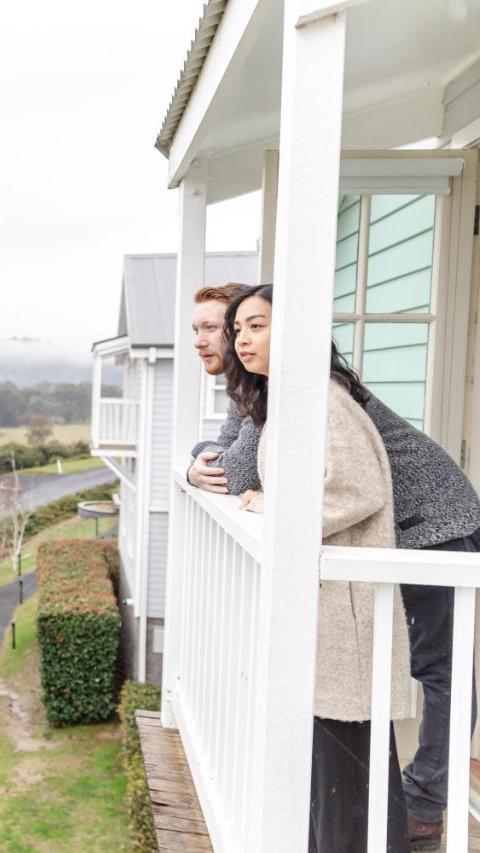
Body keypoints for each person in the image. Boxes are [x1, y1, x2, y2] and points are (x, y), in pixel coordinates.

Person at [186, 284, 480, 851]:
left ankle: (425, 802)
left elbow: (244, 472)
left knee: (438, 670)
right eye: (231, 329)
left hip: (437, 523)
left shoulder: (314, 394)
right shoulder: (272, 393)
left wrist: (236, 473)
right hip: (392, 530)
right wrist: (196, 460)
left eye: (244, 327)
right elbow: (234, 462)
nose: (228, 339)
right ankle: (410, 803)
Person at [226, 284, 412, 852]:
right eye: (238, 329)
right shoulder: (292, 399)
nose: (241, 339)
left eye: (256, 325)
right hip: (323, 608)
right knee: (337, 775)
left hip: (345, 613)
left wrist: (274, 506)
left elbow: (359, 490)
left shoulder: (324, 399)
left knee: (350, 775)